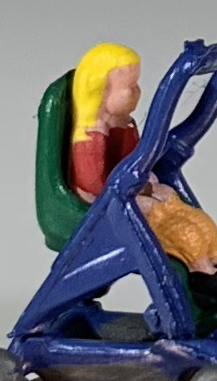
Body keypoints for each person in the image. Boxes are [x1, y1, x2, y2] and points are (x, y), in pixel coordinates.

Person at [31, 41, 144, 249]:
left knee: (171, 203)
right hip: (99, 202)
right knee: (159, 218)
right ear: (101, 90)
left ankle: (212, 259)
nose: (137, 92)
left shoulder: (124, 124)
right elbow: (92, 183)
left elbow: (132, 160)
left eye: (136, 85)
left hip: (120, 193)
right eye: (129, 87)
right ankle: (198, 263)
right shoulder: (90, 136)